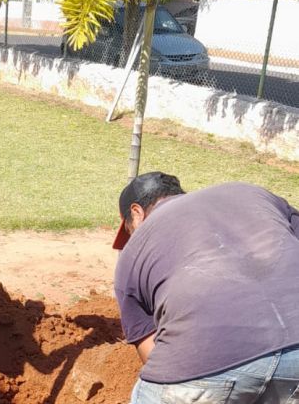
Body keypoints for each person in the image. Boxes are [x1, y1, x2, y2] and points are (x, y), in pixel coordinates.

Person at [112, 172, 299, 403]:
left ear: (136, 213)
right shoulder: (252, 193)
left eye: (128, 232)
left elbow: (151, 352)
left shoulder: (133, 253)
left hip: (208, 363)